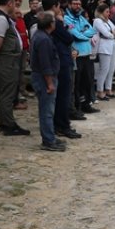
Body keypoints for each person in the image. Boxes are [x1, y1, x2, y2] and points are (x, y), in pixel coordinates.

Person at [0, 0, 28, 136]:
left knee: (5, 92)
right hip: (6, 59)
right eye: (14, 3)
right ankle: (7, 124)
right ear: (9, 3)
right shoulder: (0, 18)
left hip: (5, 59)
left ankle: (5, 122)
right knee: (7, 94)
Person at [40, 0, 81, 140]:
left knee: (63, 95)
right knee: (63, 95)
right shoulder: (53, 22)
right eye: (58, 7)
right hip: (61, 62)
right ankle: (62, 125)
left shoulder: (48, 21)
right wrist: (62, 23)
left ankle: (61, 124)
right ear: (54, 7)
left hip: (62, 59)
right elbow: (68, 38)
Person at [30, 11, 66, 152]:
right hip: (43, 78)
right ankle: (48, 140)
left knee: (47, 109)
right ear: (51, 24)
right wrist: (50, 83)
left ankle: (49, 136)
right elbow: (45, 64)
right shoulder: (44, 39)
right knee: (47, 111)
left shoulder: (40, 36)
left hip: (41, 76)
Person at [63, 0, 99, 113]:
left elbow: (92, 31)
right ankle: (77, 106)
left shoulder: (82, 17)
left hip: (86, 53)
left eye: (79, 4)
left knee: (87, 81)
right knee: (77, 83)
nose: (77, 6)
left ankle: (86, 104)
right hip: (77, 55)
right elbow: (75, 35)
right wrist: (84, 33)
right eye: (74, 3)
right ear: (69, 4)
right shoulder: (66, 18)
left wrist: (82, 33)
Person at [92, 3, 115, 100]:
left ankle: (108, 88)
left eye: (109, 12)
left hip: (112, 45)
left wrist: (112, 33)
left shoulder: (109, 21)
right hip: (104, 47)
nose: (108, 14)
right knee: (104, 69)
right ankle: (100, 90)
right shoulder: (98, 21)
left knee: (111, 69)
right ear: (101, 12)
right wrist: (112, 33)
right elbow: (106, 34)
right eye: (106, 12)